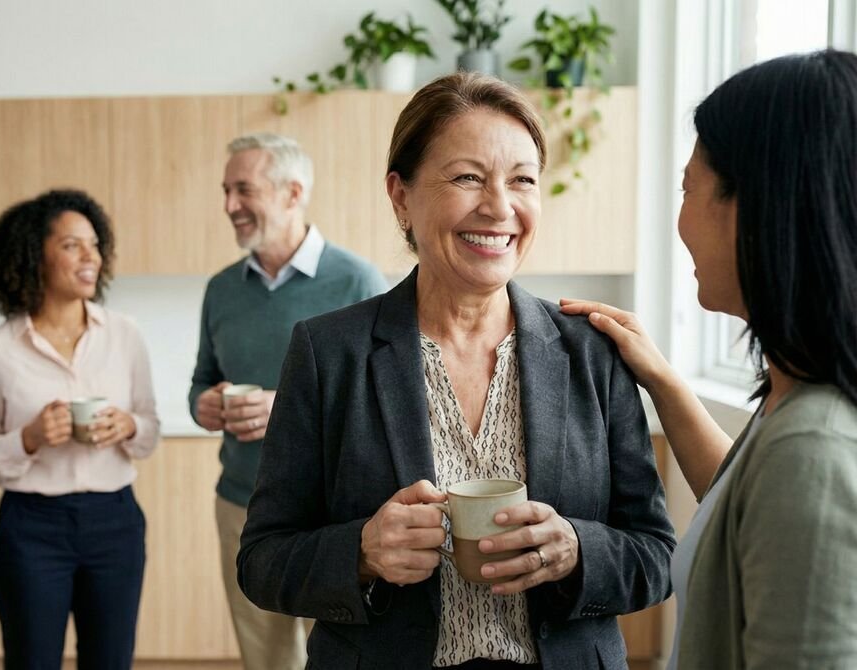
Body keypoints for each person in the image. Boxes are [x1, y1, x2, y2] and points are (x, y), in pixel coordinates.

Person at [237, 73, 676, 670]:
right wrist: (361, 553)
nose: (499, 207)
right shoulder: (327, 351)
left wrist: (577, 550)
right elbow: (263, 560)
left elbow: (656, 554)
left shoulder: (590, 351)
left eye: (522, 179)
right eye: (467, 177)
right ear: (401, 196)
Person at [560, 49, 857, 669]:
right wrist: (663, 380)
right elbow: (750, 501)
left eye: (689, 187)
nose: (680, 220)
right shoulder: (796, 403)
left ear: (757, 207)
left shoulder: (814, 449)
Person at [189, 132, 387, 669]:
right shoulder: (221, 290)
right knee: (268, 660)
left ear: (293, 192)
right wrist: (203, 405)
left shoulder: (358, 281)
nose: (230, 205)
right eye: (226, 191)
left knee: (347, 654)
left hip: (340, 511)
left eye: (243, 189)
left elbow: (386, 403)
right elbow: (200, 382)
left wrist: (288, 408)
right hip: (243, 504)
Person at [0, 188, 159, 670]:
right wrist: (27, 439)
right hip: (32, 528)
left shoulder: (125, 333)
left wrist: (127, 425)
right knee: (31, 660)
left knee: (111, 661)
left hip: (115, 522)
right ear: (34, 255)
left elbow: (151, 429)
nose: (90, 256)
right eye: (72, 245)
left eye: (94, 245)